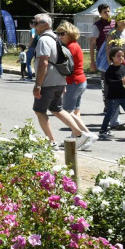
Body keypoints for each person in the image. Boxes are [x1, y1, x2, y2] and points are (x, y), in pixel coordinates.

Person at [31, 13, 96, 149]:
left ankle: (51, 141)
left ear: (46, 24)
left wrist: (38, 84)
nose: (33, 26)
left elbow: (43, 63)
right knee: (57, 108)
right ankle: (80, 134)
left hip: (47, 82)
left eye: (36, 23)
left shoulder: (43, 40)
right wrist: (64, 82)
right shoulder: (57, 39)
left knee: (39, 110)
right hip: (60, 81)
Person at [57, 21, 95, 148]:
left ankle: (87, 134)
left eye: (63, 33)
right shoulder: (73, 45)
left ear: (70, 33)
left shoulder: (70, 47)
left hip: (73, 82)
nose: (60, 36)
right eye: (58, 33)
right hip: (80, 81)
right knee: (74, 112)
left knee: (67, 112)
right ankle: (75, 137)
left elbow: (66, 67)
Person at [89, 4, 124, 129]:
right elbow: (92, 43)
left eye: (109, 11)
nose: (108, 14)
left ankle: (118, 106)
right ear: (100, 13)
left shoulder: (116, 23)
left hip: (119, 57)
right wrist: (92, 61)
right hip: (104, 57)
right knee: (106, 82)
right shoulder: (97, 26)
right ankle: (108, 106)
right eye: (105, 12)